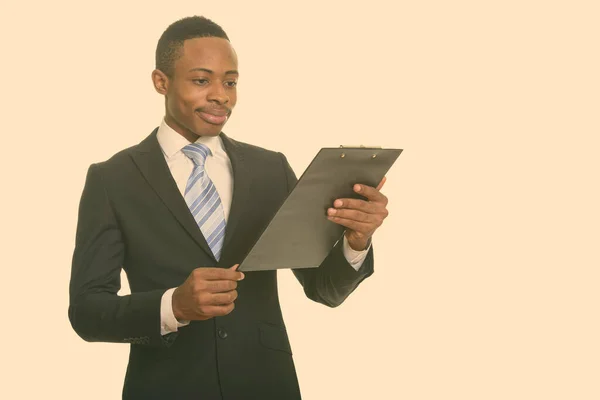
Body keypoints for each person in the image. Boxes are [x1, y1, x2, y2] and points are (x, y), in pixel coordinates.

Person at [68, 16, 390, 400]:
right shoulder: (112, 179)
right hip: (165, 387)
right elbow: (87, 311)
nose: (222, 95)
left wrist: (357, 241)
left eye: (231, 81)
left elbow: (325, 290)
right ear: (161, 82)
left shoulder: (270, 169)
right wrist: (174, 305)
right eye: (202, 80)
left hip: (267, 385)